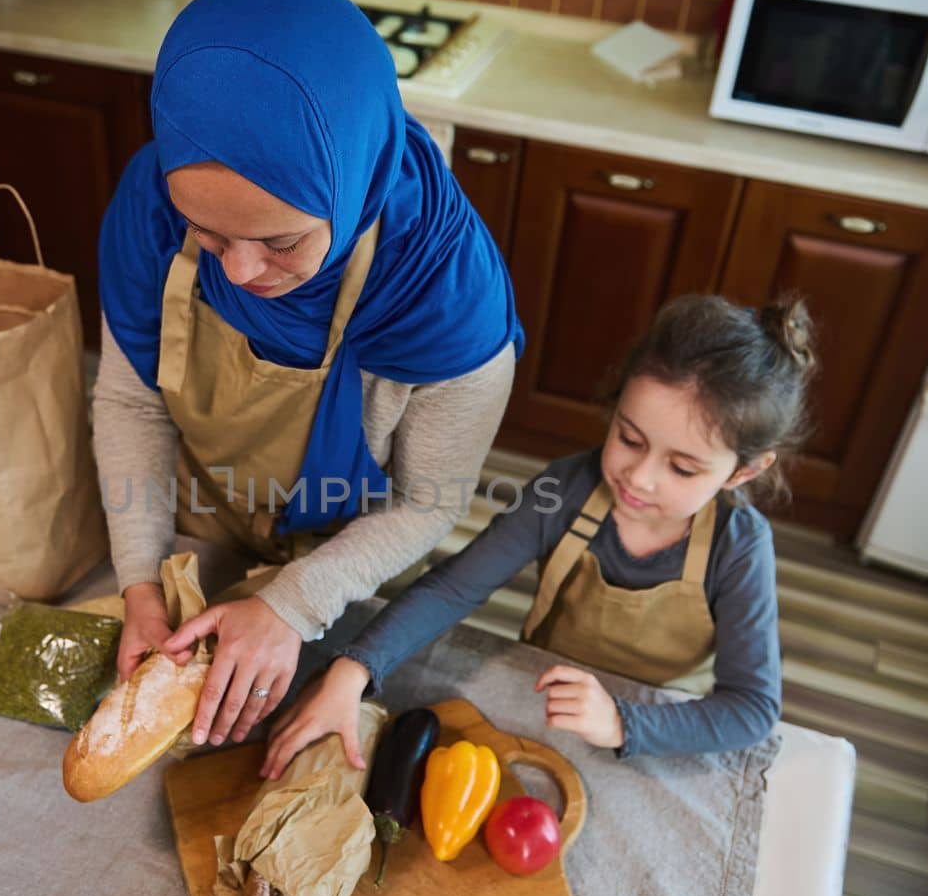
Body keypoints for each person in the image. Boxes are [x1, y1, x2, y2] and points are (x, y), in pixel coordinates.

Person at [93, 0, 522, 752]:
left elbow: (427, 505)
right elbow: (131, 404)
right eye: (211, 237)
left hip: (341, 556)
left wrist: (295, 602)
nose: (242, 273)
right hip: (199, 512)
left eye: (282, 240)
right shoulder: (148, 209)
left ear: (355, 177)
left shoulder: (448, 295)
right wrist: (140, 581)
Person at [263, 295, 817, 777]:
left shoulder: (739, 547)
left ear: (744, 471)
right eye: (628, 437)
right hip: (545, 687)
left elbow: (749, 708)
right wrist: (353, 668)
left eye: (683, 469)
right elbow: (453, 589)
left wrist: (625, 722)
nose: (640, 478)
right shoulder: (566, 490)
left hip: (662, 718)